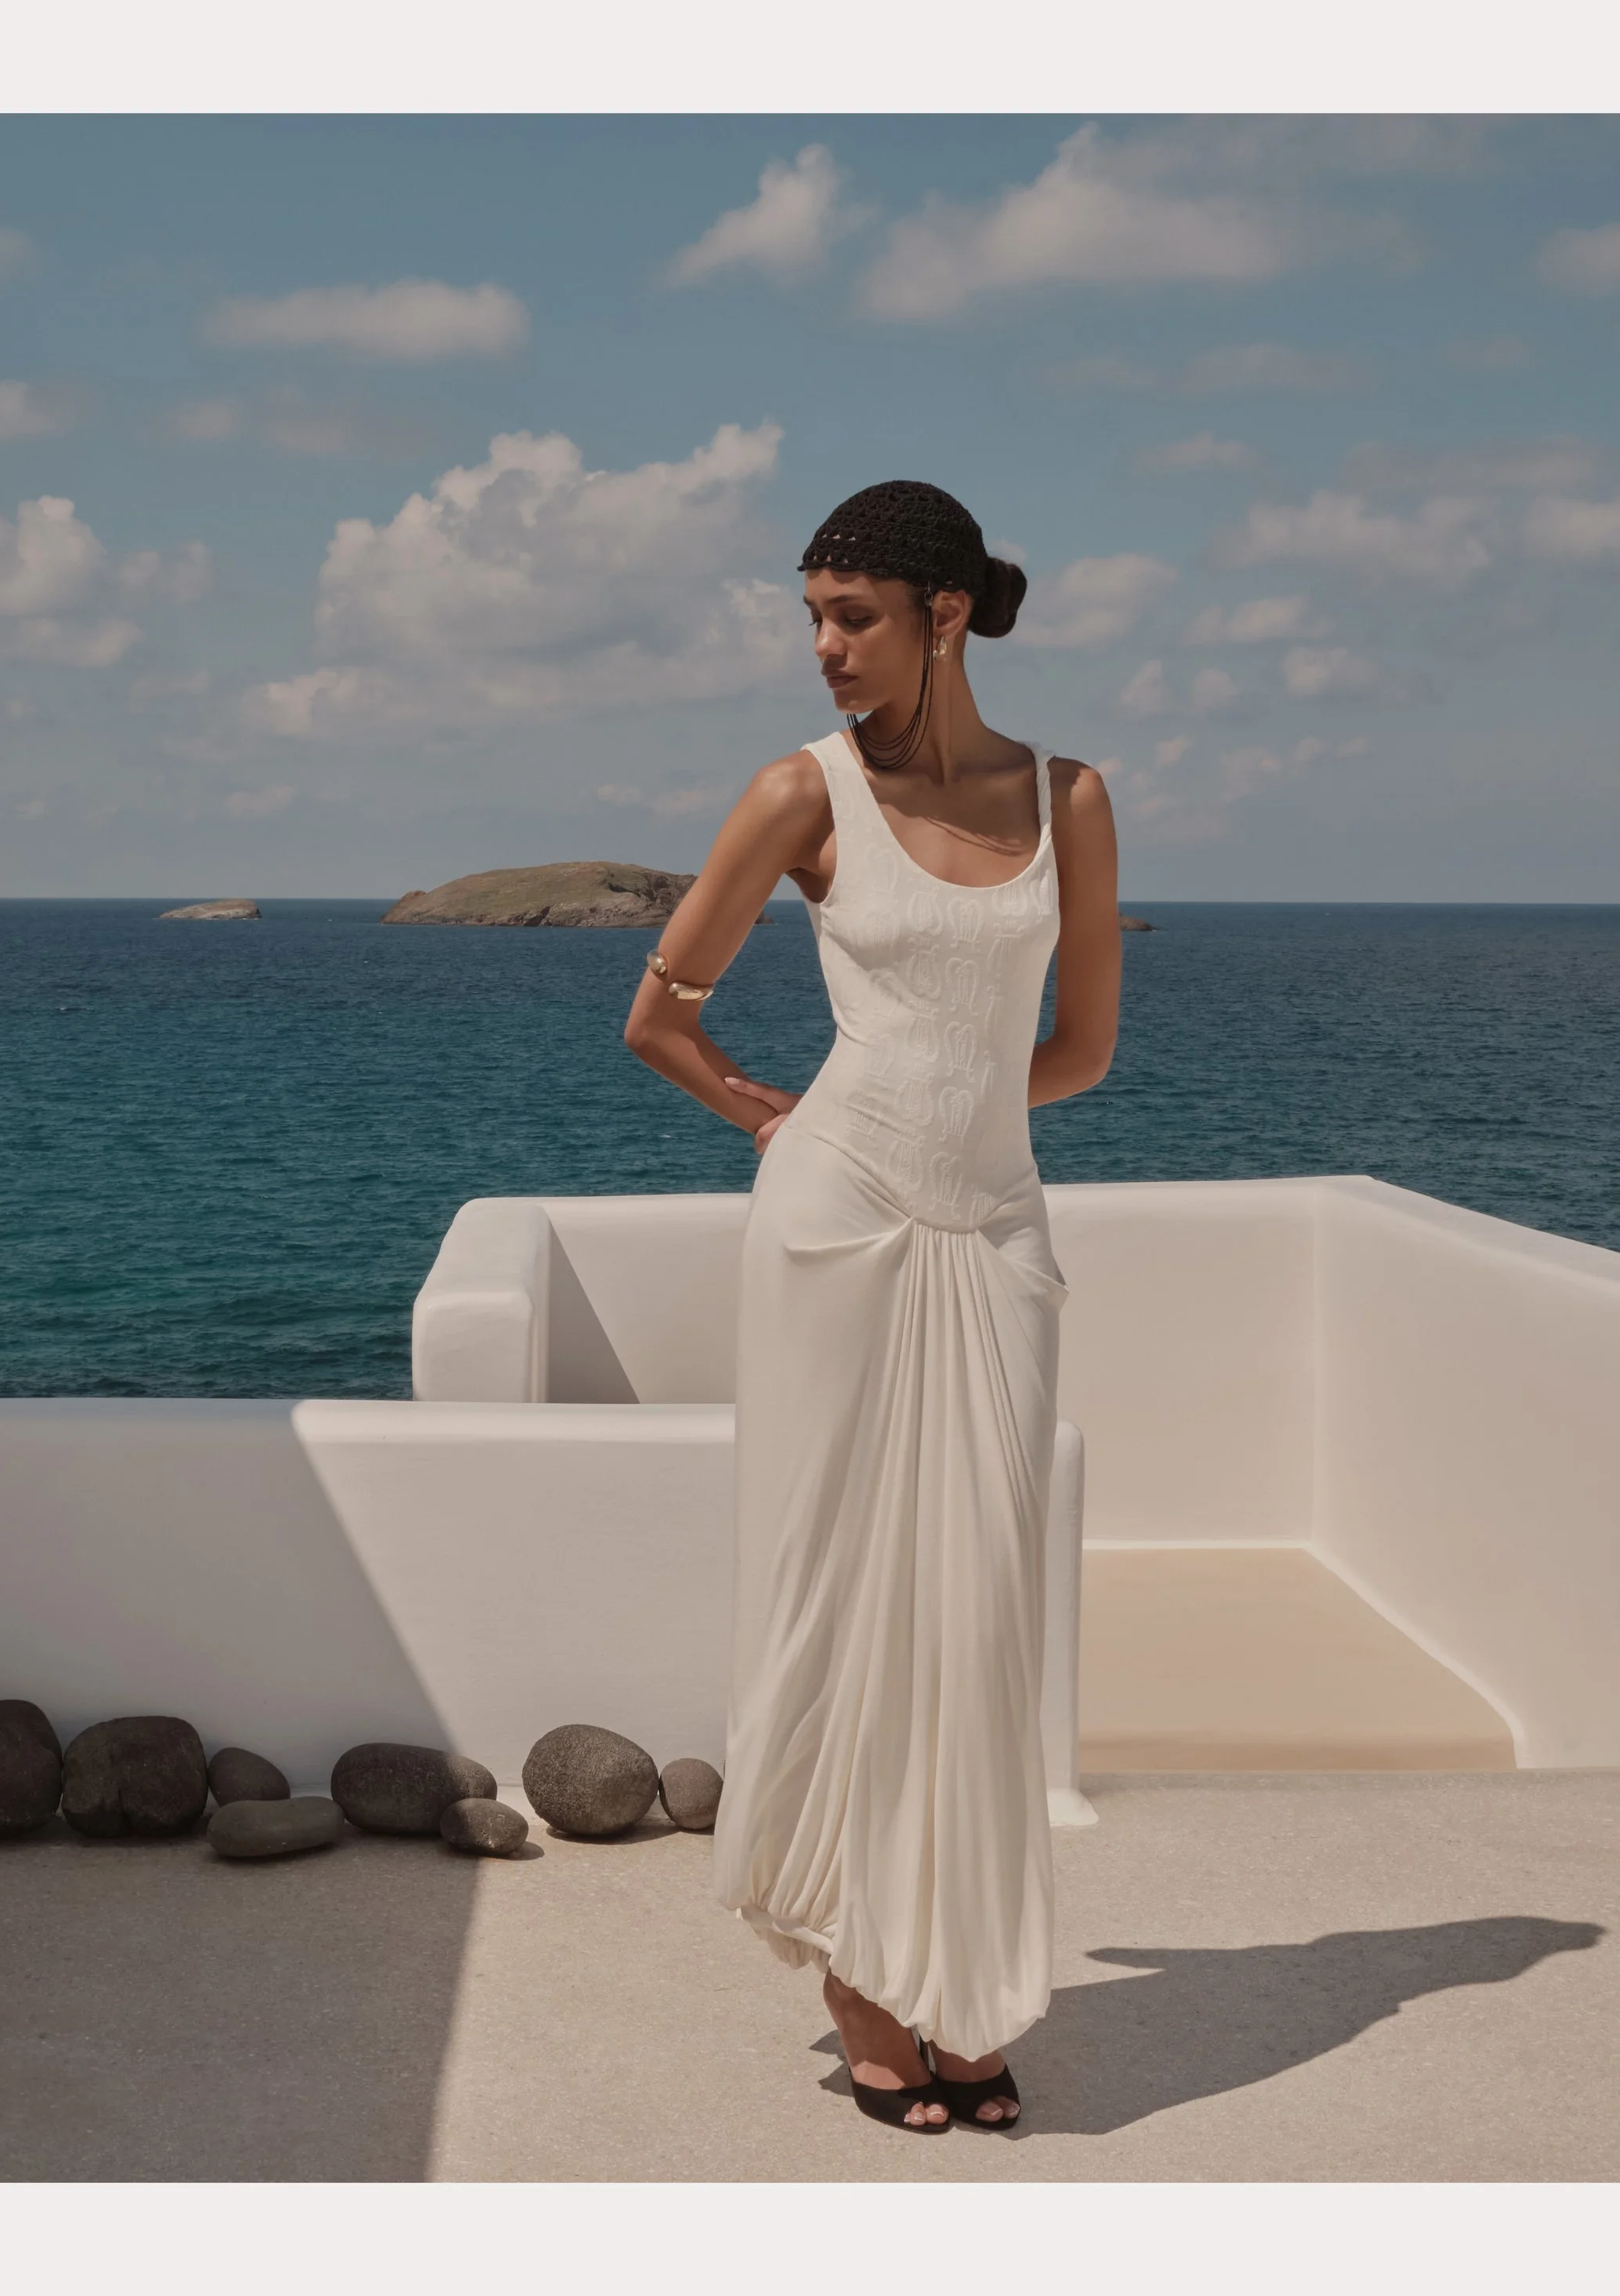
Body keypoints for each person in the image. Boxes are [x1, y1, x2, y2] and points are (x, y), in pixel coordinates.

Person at [623, 479, 1121, 2132]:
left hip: (988, 1238)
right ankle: (856, 1967)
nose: (825, 649)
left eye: (853, 617)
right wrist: (788, 1119)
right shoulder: (796, 793)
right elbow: (662, 1018)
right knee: (832, 1600)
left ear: (945, 614)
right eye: (812, 617)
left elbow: (1077, 1051)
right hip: (831, 1229)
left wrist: (959, 1131)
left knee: (977, 1622)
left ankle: (959, 1975)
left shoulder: (1069, 798)